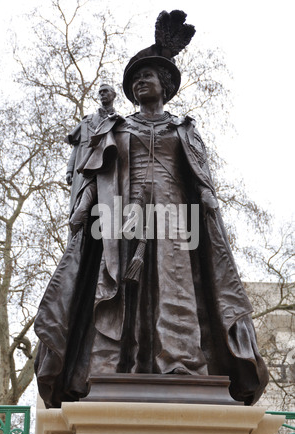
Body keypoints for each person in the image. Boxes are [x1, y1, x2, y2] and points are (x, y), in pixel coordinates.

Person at [34, 10, 268, 408]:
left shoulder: (184, 128)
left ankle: (179, 365)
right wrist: (81, 209)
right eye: (136, 79)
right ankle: (114, 367)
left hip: (178, 220)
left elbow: (201, 178)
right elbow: (95, 174)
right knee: (121, 290)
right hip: (122, 219)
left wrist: (211, 208)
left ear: (166, 85)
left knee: (176, 289)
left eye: (148, 76)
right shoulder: (117, 128)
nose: (141, 82)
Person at [65, 83, 116, 216]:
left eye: (105, 91)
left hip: (107, 169)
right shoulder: (87, 121)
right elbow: (76, 148)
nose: (102, 94)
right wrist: (69, 170)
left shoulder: (119, 122)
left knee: (107, 205)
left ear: (113, 95)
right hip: (83, 169)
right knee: (79, 206)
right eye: (100, 92)